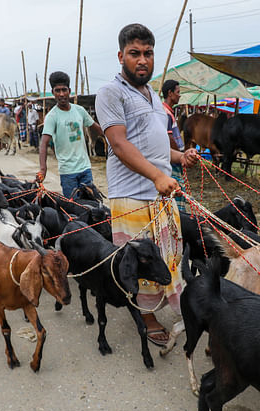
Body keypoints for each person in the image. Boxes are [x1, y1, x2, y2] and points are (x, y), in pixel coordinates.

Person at [95, 23, 199, 346]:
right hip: (133, 196)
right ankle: (146, 315)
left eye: (148, 53)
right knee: (141, 262)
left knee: (168, 255)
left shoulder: (153, 95)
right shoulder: (110, 93)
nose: (142, 60)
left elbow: (152, 144)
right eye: (135, 53)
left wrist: (179, 157)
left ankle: (168, 303)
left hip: (160, 192)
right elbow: (120, 144)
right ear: (120, 56)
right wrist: (156, 175)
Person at [39, 71, 104, 197]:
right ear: (53, 92)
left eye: (64, 90)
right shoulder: (52, 116)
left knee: (91, 206)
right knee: (74, 209)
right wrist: (43, 169)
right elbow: (44, 143)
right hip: (68, 172)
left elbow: (98, 129)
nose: (61, 94)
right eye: (57, 91)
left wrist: (116, 139)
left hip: (85, 169)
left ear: (69, 90)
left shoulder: (79, 111)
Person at [161, 79, 188, 212]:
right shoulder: (165, 114)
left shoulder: (167, 112)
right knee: (176, 192)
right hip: (173, 160)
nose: (179, 95)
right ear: (170, 93)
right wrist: (181, 156)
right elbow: (169, 139)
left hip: (173, 158)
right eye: (178, 92)